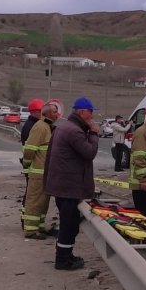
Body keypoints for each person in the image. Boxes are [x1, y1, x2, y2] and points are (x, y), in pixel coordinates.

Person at [44, 97, 100, 270]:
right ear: (82, 112)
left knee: (69, 224)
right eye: (90, 112)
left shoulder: (64, 127)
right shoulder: (74, 131)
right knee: (69, 226)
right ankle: (63, 260)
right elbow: (89, 153)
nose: (92, 116)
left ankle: (66, 254)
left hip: (62, 185)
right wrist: (94, 133)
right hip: (68, 187)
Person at [20, 102, 60, 239]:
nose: (57, 114)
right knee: (35, 202)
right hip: (38, 173)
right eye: (54, 111)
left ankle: (39, 227)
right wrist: (27, 164)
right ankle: (31, 230)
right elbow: (29, 149)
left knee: (43, 203)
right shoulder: (40, 127)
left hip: (45, 173)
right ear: (47, 113)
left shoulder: (47, 127)